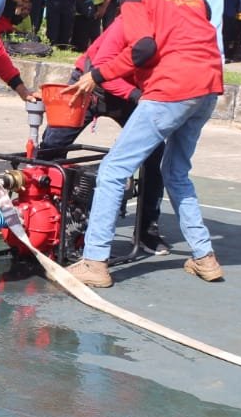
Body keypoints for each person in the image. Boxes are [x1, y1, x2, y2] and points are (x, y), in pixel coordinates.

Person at [62, 0, 225, 288]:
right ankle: (205, 257)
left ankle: (95, 262)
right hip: (209, 86)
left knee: (113, 170)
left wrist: (97, 75)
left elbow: (143, 48)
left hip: (172, 86)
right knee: (176, 172)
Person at [38, 15, 168, 255]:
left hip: (133, 91)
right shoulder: (127, 23)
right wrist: (138, 96)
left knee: (155, 152)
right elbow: (99, 71)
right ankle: (43, 214)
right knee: (51, 147)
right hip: (89, 83)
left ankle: (147, 228)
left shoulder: (173, 35)